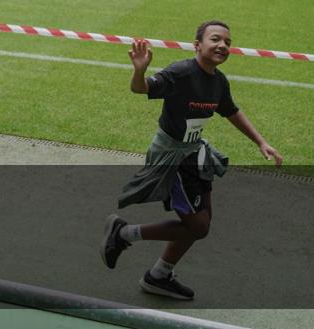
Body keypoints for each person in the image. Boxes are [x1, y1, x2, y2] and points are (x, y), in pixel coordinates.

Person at [101, 20, 282, 300]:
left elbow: (231, 111)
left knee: (202, 221)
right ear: (198, 45)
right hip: (172, 159)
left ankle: (159, 275)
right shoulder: (181, 72)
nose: (222, 45)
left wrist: (261, 141)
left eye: (227, 42)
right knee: (197, 226)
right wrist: (139, 70)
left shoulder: (218, 81)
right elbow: (141, 89)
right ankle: (124, 233)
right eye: (215, 39)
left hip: (194, 153)